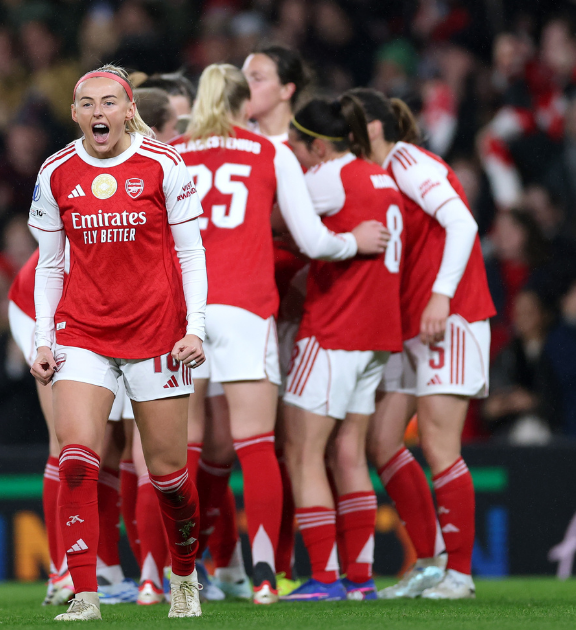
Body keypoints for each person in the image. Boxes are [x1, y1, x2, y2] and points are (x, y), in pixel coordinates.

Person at [171, 64, 390, 604]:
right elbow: (313, 239)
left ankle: (174, 576)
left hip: (185, 313)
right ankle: (265, 575)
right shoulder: (269, 152)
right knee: (256, 446)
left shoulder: (171, 153)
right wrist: (354, 242)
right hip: (246, 311)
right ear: (247, 105)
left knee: (185, 448)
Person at [27, 64, 206, 621]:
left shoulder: (164, 165)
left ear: (130, 111)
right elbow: (50, 266)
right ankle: (85, 594)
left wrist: (195, 326)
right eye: (88, 104)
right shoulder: (56, 171)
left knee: (170, 477)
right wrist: (43, 338)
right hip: (82, 332)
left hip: (158, 332)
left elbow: (191, 253)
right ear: (74, 113)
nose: (99, 113)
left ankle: (183, 575)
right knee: (77, 459)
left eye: (110, 103)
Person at [351, 87, 496, 599]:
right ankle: (433, 563)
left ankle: (460, 574)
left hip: (448, 317)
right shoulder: (375, 172)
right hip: (407, 325)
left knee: (438, 445)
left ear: (372, 127)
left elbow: (462, 221)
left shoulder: (406, 160)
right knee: (383, 442)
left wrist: (440, 297)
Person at [282, 95, 404, 602]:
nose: (290, 152)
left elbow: (275, 217)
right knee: (350, 453)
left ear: (316, 146)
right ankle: (360, 578)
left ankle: (326, 578)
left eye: (295, 143)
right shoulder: (382, 178)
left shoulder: (328, 178)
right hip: (378, 335)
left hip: (335, 331)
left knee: (301, 452)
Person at [6, 250, 138, 606]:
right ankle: (61, 571)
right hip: (46, 299)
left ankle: (106, 568)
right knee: (65, 441)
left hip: (99, 303)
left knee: (109, 439)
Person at [242, 43, 314, 593]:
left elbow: (313, 238)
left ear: (288, 89)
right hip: (249, 310)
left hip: (296, 311)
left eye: (259, 76)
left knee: (293, 446)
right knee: (227, 446)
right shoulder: (229, 147)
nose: (248, 86)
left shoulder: (302, 150)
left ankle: (287, 567)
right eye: (243, 76)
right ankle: (225, 565)